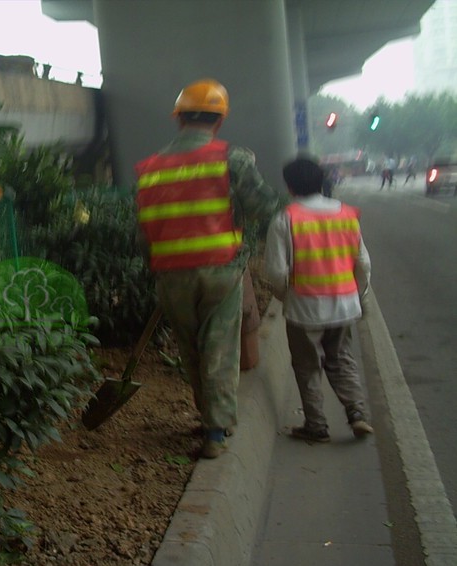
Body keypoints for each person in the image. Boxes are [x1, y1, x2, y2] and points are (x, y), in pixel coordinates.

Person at [134, 78, 282, 459]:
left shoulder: (150, 168)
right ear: (218, 121)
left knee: (192, 349)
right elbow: (265, 208)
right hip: (220, 270)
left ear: (179, 119)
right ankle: (216, 430)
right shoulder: (231, 159)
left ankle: (207, 417)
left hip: (171, 274)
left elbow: (143, 232)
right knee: (218, 346)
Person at [264, 157, 374, 443]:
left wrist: (283, 295)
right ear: (322, 181)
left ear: (289, 187)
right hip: (344, 305)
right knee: (341, 359)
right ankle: (357, 413)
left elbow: (276, 271)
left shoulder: (284, 219)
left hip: (304, 310)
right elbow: (363, 262)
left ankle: (316, 425)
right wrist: (358, 295)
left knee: (307, 366)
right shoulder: (346, 214)